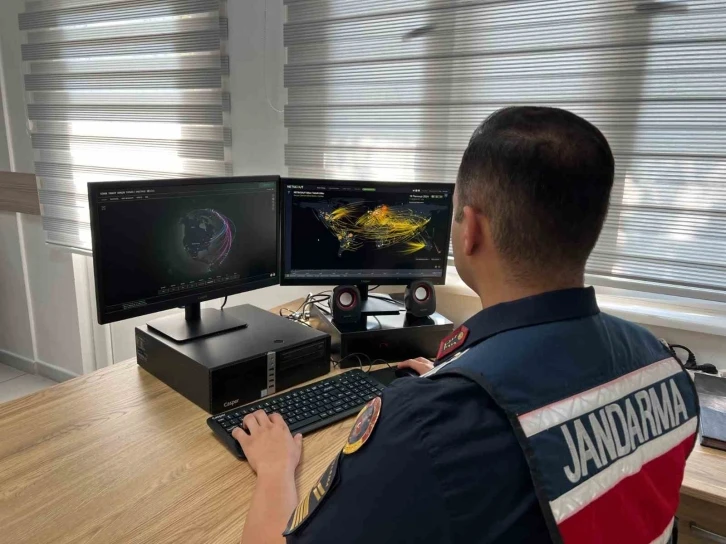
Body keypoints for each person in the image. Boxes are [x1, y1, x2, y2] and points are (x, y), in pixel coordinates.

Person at [232, 107, 699, 544]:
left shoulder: (428, 423)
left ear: (470, 228)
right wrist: (453, 377)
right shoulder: (664, 367)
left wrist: (275, 469)